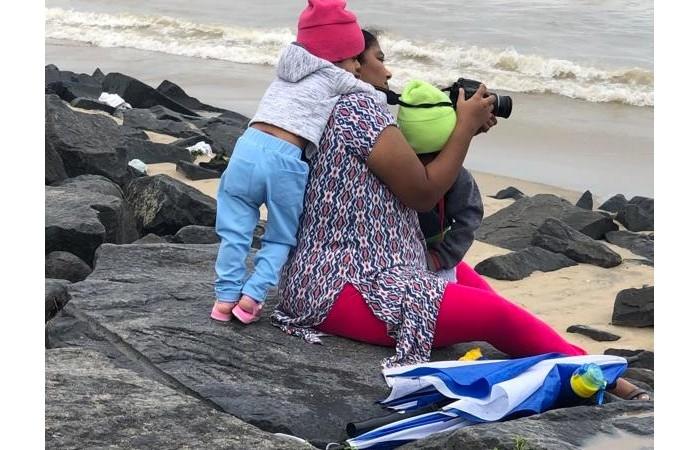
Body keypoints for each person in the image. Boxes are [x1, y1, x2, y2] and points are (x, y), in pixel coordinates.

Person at [271, 29, 650, 401]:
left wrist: (457, 129)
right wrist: (464, 129)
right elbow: (422, 191)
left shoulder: (325, 104)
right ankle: (600, 375)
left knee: (471, 283)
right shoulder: (357, 109)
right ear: (352, 63)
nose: (387, 72)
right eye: (379, 60)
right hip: (345, 282)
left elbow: (406, 166)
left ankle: (572, 358)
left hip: (354, 264)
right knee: (496, 316)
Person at [210, 0, 384, 324]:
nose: (357, 67)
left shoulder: (287, 67)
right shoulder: (334, 75)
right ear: (339, 54)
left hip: (246, 148)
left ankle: (224, 299)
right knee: (280, 235)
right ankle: (250, 299)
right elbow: (373, 97)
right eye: (353, 60)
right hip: (285, 158)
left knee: (234, 230)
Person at [396, 79, 485, 281]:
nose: (430, 165)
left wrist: (442, 256)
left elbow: (470, 217)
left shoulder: (457, 176)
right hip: (397, 254)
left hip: (437, 256)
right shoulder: (393, 167)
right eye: (419, 158)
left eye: (438, 156)